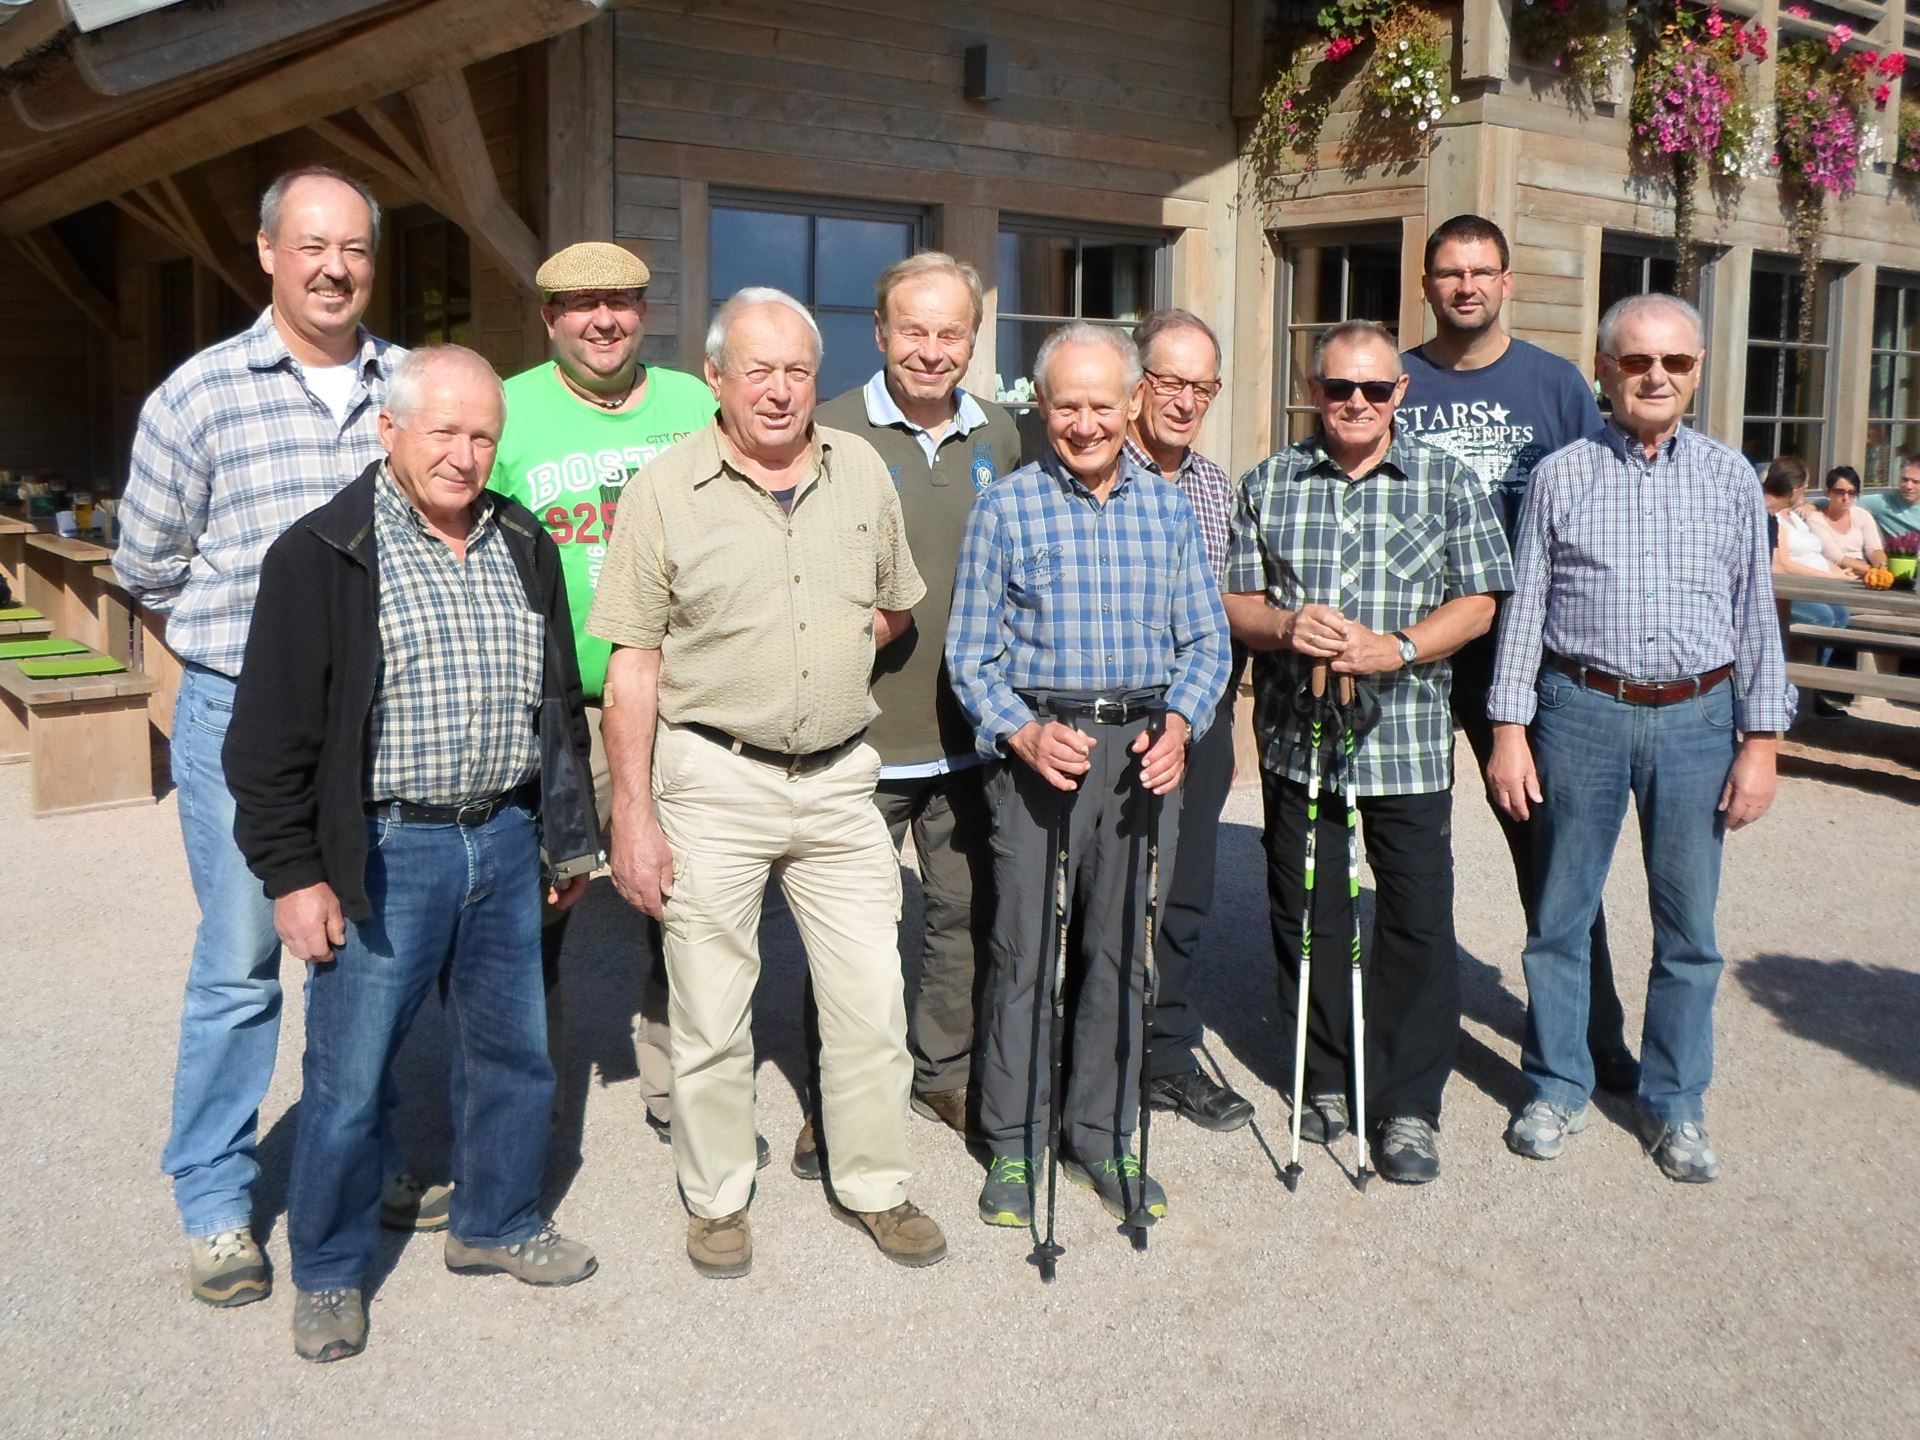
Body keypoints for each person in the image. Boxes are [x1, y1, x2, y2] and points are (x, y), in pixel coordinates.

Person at [223, 345, 601, 1362]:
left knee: (516, 1054)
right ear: (389, 431)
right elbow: (265, 745)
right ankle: (333, 1272)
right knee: (348, 1080)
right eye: (443, 430)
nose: (464, 454)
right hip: (389, 846)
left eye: (483, 435)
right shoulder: (322, 554)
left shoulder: (524, 539)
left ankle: (496, 1220)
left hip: (508, 835)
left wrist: (569, 834)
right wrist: (293, 875)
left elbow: (558, 705)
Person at [111, 166, 427, 1307]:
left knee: (373, 955)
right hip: (248, 718)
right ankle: (213, 1198)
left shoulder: (408, 384)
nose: (334, 267)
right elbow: (143, 566)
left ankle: (367, 1152)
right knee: (244, 963)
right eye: (311, 245)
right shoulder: (199, 395)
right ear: (265, 253)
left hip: (386, 723)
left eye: (353, 248)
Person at [589, 287, 947, 1278]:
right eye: (759, 370)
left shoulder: (863, 472)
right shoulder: (662, 490)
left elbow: (896, 610)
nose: (781, 390)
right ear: (716, 378)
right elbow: (633, 667)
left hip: (839, 782)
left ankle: (875, 1184)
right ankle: (715, 1199)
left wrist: (824, 649)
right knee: (709, 1008)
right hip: (713, 776)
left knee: (872, 997)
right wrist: (634, 816)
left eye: (798, 370)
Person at [1489, 293, 1791, 1183]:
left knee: (1688, 930)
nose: (1656, 376)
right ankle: (1556, 1084)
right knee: (1559, 919)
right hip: (1579, 711)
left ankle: (1674, 1103)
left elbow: (1755, 618)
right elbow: (1526, 612)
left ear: (1697, 371)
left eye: (1676, 362)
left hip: (1699, 720)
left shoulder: (1733, 477)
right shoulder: (1561, 474)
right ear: (1604, 369)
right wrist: (1509, 727)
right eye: (1636, 361)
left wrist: (1762, 740)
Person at [948, 322, 1229, 1230]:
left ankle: (1103, 1132)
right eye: (1066, 404)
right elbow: (970, 657)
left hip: (1141, 750)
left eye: (1102, 404)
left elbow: (1205, 642)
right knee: (1024, 947)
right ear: (1043, 407)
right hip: (1041, 745)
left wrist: (1183, 722)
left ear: (1132, 403)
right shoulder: (1008, 507)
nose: (1084, 422)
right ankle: (1015, 1140)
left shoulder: (1169, 509)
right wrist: (1022, 734)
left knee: (1117, 948)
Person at [1224, 319, 1513, 1186]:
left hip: (1409, 744)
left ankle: (1407, 1103)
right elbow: (1234, 601)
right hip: (1298, 740)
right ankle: (1323, 1078)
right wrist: (1282, 625)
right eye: (1340, 388)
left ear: (1401, 393)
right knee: (1308, 914)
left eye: (1375, 389)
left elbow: (1479, 601)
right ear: (1314, 391)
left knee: (1417, 922)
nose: (1357, 403)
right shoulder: (1270, 481)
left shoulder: (1446, 480)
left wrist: (1400, 647)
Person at [489, 240, 721, 1158]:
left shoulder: (694, 405)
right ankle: (527, 1088)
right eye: (580, 306)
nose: (602, 321)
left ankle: (677, 1078)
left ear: (643, 313)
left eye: (619, 303)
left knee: (683, 895)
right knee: (546, 895)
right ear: (549, 319)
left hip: (681, 693)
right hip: (558, 700)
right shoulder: (507, 409)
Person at [1397, 213, 1636, 1093]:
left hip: (1526, 655)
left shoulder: (1556, 386)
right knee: (1405, 842)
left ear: (1506, 281)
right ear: (1428, 284)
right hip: (1418, 648)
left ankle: (1588, 1031)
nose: (1466, 286)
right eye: (1450, 272)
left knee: (1551, 849)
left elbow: (1602, 508)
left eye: (1481, 271)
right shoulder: (1395, 382)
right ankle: (1393, 1027)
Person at [794, 251, 1022, 1174]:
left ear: (973, 340)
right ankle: (836, 1092)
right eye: (913, 331)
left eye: (951, 332)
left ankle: (943, 1072)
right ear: (880, 333)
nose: (931, 350)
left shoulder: (1005, 434)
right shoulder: (829, 429)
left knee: (961, 915)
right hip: (858, 734)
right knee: (846, 933)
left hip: (967, 732)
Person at [1121, 307, 1255, 1134]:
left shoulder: (1212, 485)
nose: (1184, 401)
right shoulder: (1091, 467)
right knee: (1095, 893)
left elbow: (1228, 609)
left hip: (1196, 716)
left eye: (1200, 387)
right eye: (1170, 382)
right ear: (1138, 383)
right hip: (1111, 719)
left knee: (1187, 890)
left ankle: (1164, 1053)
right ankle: (1087, 1053)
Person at [1808, 466, 1885, 577]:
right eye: (1839, 492)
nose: (1846, 497)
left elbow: (1874, 549)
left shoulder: (1862, 515)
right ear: (1828, 491)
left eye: (1851, 492)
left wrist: (1882, 568)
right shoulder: (1815, 519)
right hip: (1834, 573)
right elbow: (1835, 557)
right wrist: (1873, 571)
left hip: (1865, 571)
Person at [1861, 453, 1920, 540]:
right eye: (1904, 480)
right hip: (1897, 552)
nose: (1908, 486)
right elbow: (1844, 503)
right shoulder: (1884, 501)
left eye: (1915, 482)